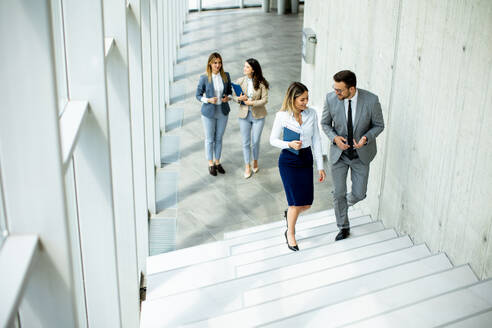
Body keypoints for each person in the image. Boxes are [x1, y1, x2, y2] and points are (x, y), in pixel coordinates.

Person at [320, 70, 384, 241]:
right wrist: (334, 138)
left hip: (361, 155)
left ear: (352, 89)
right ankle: (343, 226)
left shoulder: (371, 100)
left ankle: (340, 205)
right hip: (338, 154)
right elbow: (325, 123)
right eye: (335, 88)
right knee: (339, 192)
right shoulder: (331, 99)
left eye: (339, 90)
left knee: (359, 194)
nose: (336, 93)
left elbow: (379, 125)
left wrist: (366, 138)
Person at [270, 82, 326, 251]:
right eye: (302, 99)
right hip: (289, 160)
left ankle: (290, 216)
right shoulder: (282, 116)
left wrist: (320, 166)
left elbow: (316, 139)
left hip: (306, 158)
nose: (305, 102)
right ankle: (290, 234)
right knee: (295, 203)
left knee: (307, 203)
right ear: (293, 99)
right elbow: (272, 140)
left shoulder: (312, 114)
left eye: (307, 98)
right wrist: (288, 144)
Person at [195, 52, 232, 176]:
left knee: (219, 138)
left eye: (219, 63)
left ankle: (217, 162)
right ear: (210, 64)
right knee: (210, 139)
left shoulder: (226, 76)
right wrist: (208, 100)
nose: (218, 65)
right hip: (209, 113)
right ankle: (210, 163)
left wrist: (228, 98)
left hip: (222, 111)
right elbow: (198, 95)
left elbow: (229, 92)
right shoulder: (204, 78)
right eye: (215, 63)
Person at [232, 58, 269, 178]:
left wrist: (252, 103)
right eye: (244, 66)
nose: (244, 68)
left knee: (255, 141)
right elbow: (233, 96)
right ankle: (247, 165)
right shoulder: (240, 81)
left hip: (258, 116)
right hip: (244, 116)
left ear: (253, 70)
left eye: (247, 67)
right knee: (245, 142)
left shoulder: (262, 83)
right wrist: (239, 99)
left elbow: (265, 100)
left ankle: (255, 160)